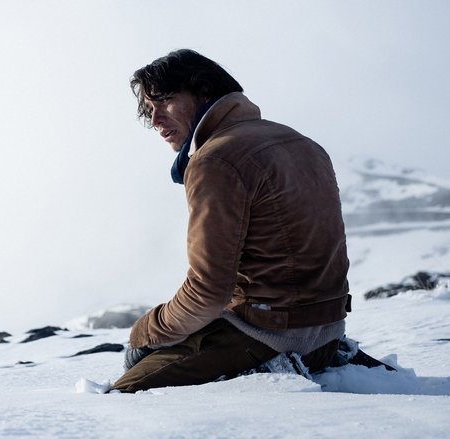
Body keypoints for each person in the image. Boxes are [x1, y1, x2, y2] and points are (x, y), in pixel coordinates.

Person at [113, 49, 351, 392]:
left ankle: (267, 373)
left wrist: (145, 331)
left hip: (269, 334)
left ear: (204, 90)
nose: (156, 120)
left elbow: (207, 292)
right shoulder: (303, 142)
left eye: (164, 100)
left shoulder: (216, 159)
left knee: (124, 395)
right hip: (328, 333)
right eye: (149, 110)